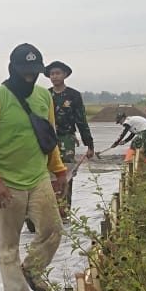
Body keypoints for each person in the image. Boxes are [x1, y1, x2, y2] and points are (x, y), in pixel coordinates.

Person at [0, 44, 68, 291]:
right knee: (8, 245)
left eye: (35, 72)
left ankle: (32, 268)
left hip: (38, 178)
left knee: (53, 230)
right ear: (13, 69)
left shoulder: (43, 97)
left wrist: (59, 170)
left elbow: (48, 137)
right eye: (25, 72)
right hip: (7, 183)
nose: (30, 77)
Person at [45, 60, 94, 218]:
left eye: (58, 73)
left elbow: (81, 120)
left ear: (65, 75)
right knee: (47, 173)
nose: (55, 76)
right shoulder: (45, 95)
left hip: (66, 138)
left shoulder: (73, 96)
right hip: (47, 138)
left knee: (66, 173)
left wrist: (89, 144)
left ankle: (64, 209)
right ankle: (48, 209)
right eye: (52, 74)